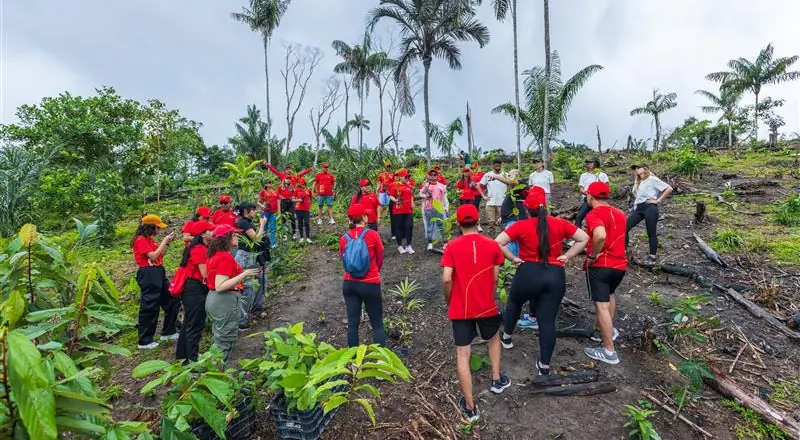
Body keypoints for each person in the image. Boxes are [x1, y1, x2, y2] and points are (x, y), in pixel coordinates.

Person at [495, 187, 590, 376]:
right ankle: (544, 365)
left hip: (528, 272)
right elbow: (584, 238)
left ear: (527, 210)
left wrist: (513, 258)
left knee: (514, 302)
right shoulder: (559, 223)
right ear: (545, 207)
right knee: (547, 320)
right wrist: (567, 255)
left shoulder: (520, 225)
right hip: (554, 274)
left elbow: (497, 242)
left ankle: (506, 338)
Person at [441, 204, 511, 423]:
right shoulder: (491, 245)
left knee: (463, 353)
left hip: (461, 307)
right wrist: (488, 294)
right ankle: (497, 379)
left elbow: (446, 278)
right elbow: (496, 274)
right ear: (477, 220)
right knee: (493, 337)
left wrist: (449, 299)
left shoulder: (452, 246)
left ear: (459, 223)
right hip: (486, 305)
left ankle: (470, 407)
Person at [582, 182, 627, 365]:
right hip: (619, 265)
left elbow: (600, 235)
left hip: (602, 265)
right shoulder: (620, 213)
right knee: (609, 296)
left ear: (590, 196)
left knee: (601, 305)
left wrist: (593, 256)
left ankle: (609, 351)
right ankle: (609, 330)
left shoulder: (594, 214)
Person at [205, 224, 261, 361]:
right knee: (225, 340)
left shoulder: (216, 255)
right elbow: (220, 285)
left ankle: (215, 370)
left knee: (220, 335)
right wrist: (244, 274)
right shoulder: (224, 257)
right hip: (223, 300)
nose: (237, 237)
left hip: (215, 299)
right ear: (226, 239)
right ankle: (218, 373)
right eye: (234, 235)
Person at [339, 204, 386, 347]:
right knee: (377, 323)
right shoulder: (373, 234)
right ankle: (380, 361)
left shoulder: (344, 238)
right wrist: (374, 272)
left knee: (353, 323)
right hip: (370, 283)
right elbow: (380, 258)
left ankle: (354, 364)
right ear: (364, 217)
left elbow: (344, 259)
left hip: (349, 283)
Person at [131, 214, 179, 350]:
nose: (159, 230)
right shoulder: (140, 240)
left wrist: (167, 243)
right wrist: (164, 241)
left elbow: (160, 254)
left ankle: (169, 331)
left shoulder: (149, 239)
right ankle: (145, 340)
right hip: (148, 273)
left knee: (172, 298)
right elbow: (152, 256)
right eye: (157, 227)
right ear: (150, 227)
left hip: (158, 271)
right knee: (150, 305)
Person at [499, 176, 539, 330]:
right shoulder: (516, 196)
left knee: (515, 254)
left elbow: (498, 243)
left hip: (515, 227)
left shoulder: (519, 194)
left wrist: (491, 175)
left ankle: (516, 268)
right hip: (545, 272)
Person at [176, 220, 214, 362]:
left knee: (189, 323)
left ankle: (182, 356)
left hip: (193, 289)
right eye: (211, 230)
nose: (214, 233)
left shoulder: (200, 247)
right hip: (195, 289)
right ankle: (192, 360)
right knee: (195, 325)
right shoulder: (199, 249)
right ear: (203, 234)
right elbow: (205, 274)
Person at [626, 165, 673, 265]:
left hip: (650, 207)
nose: (636, 170)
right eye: (635, 169)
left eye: (638, 168)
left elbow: (669, 188)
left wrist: (658, 200)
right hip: (639, 208)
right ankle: (623, 251)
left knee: (651, 232)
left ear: (644, 169)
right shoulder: (637, 182)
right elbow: (637, 196)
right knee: (624, 227)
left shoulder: (652, 179)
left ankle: (652, 256)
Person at [233, 203, 270, 331]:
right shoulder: (243, 222)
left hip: (253, 256)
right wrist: (262, 225)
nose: (255, 212)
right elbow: (256, 239)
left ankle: (257, 307)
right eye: (253, 210)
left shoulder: (247, 221)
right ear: (246, 211)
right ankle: (241, 319)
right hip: (246, 257)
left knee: (260, 281)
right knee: (248, 286)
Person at [420, 169, 449, 251]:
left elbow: (444, 197)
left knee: (441, 225)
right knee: (430, 226)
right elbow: (421, 193)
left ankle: (445, 242)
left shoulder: (441, 186)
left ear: (437, 176)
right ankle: (430, 242)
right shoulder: (426, 185)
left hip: (439, 208)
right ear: (429, 176)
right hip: (428, 208)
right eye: (431, 175)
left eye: (434, 175)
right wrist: (425, 196)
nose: (433, 176)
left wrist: (446, 207)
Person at [575, 159, 609, 227]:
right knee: (579, 216)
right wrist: (587, 193)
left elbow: (607, 187)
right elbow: (581, 188)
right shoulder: (584, 175)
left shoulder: (602, 175)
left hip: (599, 199)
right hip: (588, 199)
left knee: (602, 217)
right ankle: (576, 234)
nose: (589, 164)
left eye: (591, 162)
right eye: (587, 163)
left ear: (595, 163)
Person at [389, 169, 415, 254]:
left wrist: (412, 202)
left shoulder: (408, 185)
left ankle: (409, 245)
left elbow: (411, 195)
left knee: (409, 226)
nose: (407, 178)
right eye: (406, 176)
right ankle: (400, 245)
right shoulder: (394, 185)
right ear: (400, 177)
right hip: (398, 210)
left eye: (408, 176)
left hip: (408, 210)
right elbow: (391, 196)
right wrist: (395, 200)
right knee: (399, 227)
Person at [480, 160, 509, 233]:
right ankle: (492, 238)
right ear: (493, 165)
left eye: (499, 165)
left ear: (501, 165)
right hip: (490, 202)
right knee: (491, 222)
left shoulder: (506, 175)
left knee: (502, 222)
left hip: (503, 202)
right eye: (496, 165)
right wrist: (483, 196)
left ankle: (501, 239)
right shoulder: (488, 175)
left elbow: (511, 185)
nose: (497, 167)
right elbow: (479, 185)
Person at [258, 181, 280, 249]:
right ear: (266, 184)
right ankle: (263, 243)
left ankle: (273, 244)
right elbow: (258, 202)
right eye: (269, 183)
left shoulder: (275, 191)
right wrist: (263, 206)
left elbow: (278, 201)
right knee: (264, 227)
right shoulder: (262, 192)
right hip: (265, 212)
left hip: (273, 212)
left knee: (273, 227)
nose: (271, 184)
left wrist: (279, 210)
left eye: (271, 183)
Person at [377, 161, 395, 239]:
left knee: (389, 204)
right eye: (387, 166)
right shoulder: (381, 175)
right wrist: (376, 190)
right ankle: (379, 216)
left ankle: (387, 215)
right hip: (382, 190)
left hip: (389, 190)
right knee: (381, 204)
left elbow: (394, 183)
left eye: (389, 166)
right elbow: (379, 183)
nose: (388, 167)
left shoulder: (392, 175)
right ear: (385, 167)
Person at [294, 179, 313, 243]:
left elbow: (310, 198)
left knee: (306, 223)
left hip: (306, 209)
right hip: (298, 209)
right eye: (301, 184)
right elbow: (293, 199)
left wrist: (309, 205)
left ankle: (308, 237)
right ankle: (301, 237)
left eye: (304, 184)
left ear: (305, 184)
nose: (303, 185)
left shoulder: (308, 191)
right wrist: (298, 200)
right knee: (300, 223)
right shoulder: (297, 190)